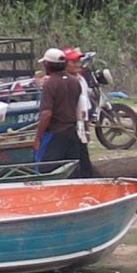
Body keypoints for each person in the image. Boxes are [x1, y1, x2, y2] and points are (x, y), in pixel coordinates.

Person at [35, 49, 94, 177]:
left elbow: (46, 114)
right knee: (74, 169)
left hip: (55, 134)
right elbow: (81, 109)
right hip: (72, 132)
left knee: (45, 171)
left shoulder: (50, 84)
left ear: (47, 64)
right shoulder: (75, 82)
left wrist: (38, 136)